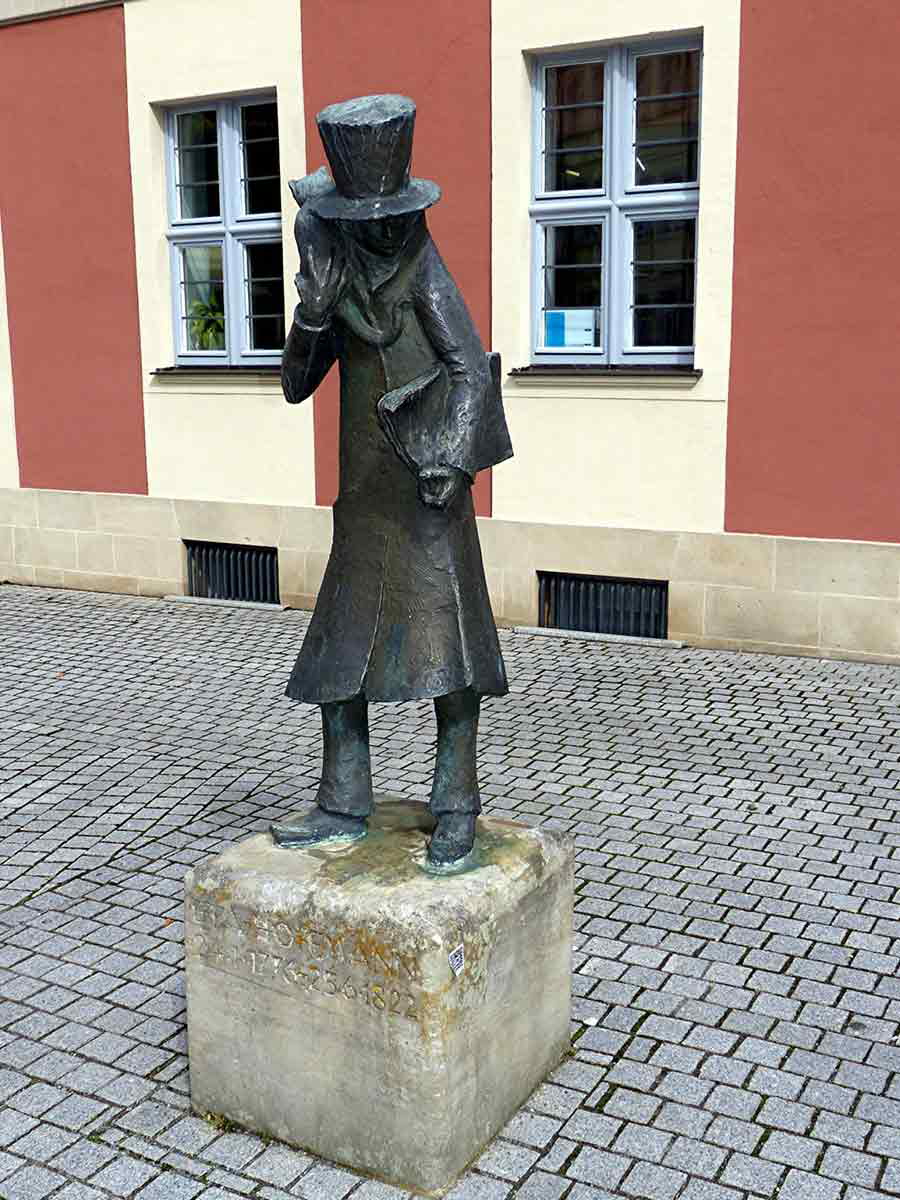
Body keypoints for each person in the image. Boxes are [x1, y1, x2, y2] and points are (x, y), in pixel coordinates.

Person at [272, 94, 512, 867]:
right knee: (341, 651)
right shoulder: (331, 262)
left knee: (452, 652)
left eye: (384, 216)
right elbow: (296, 385)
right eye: (361, 217)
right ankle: (343, 801)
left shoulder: (421, 264)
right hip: (365, 490)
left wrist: (449, 456)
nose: (376, 228)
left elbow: (470, 368)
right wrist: (312, 315)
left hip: (425, 482)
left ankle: (457, 804)